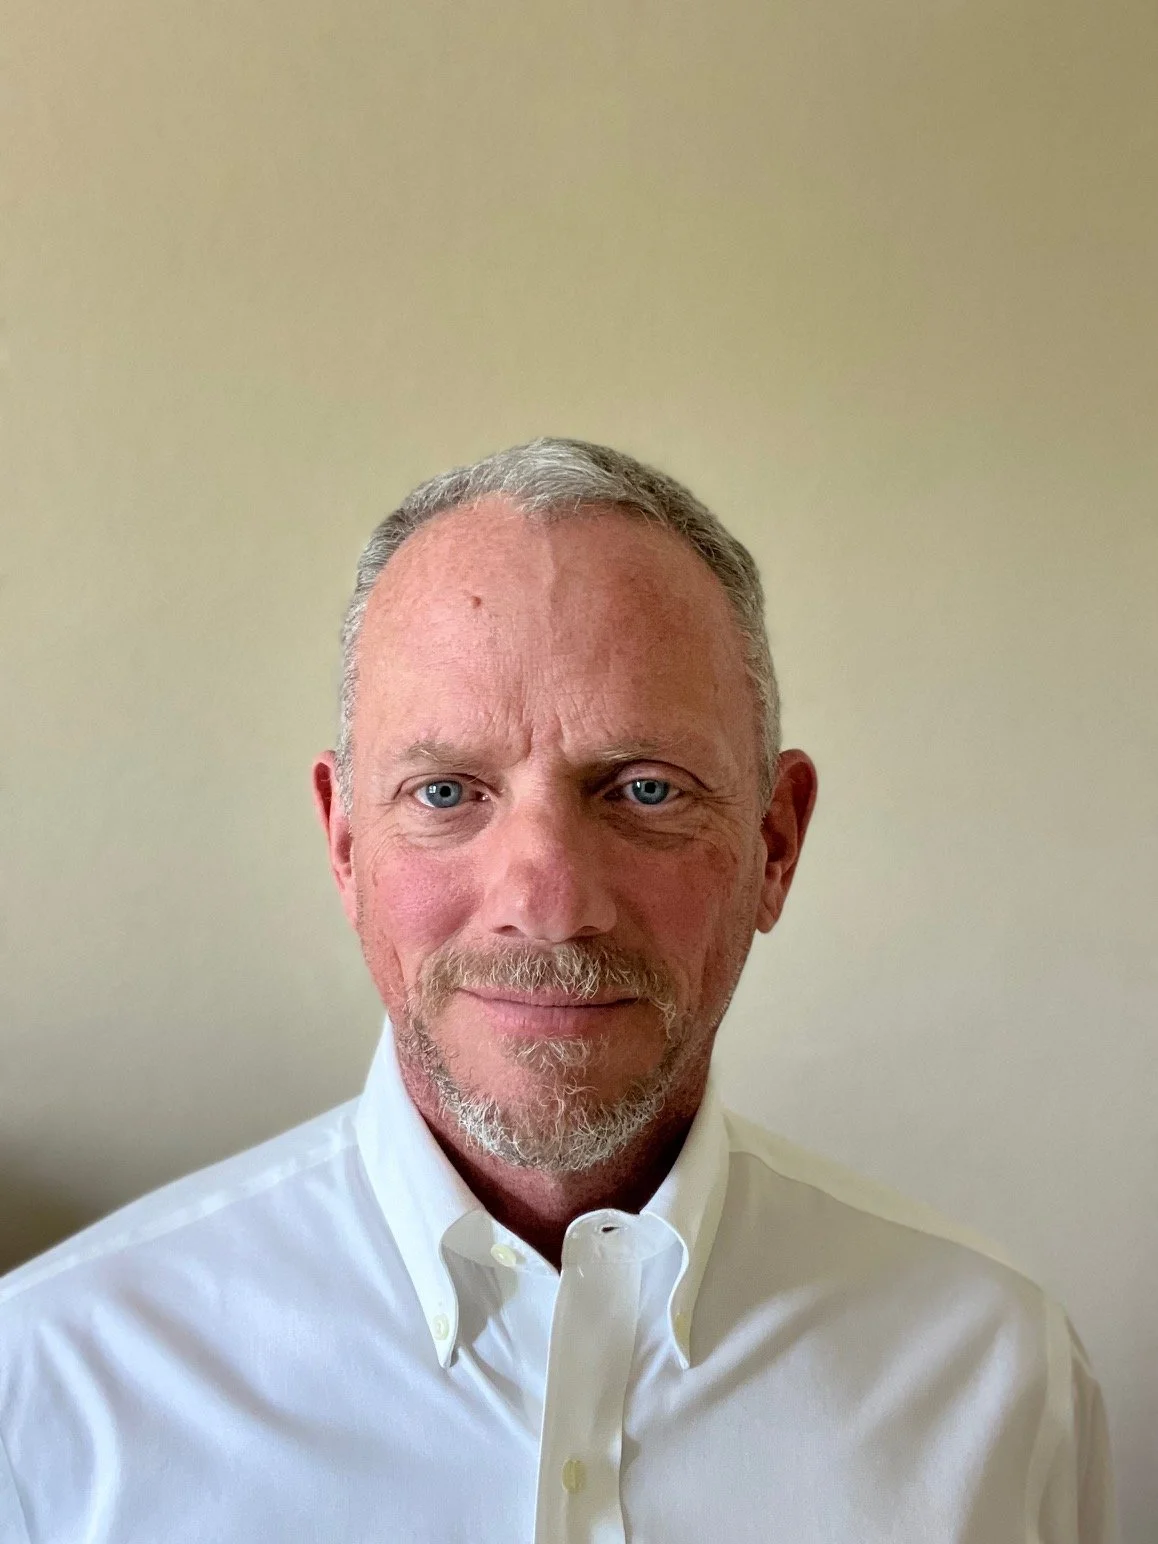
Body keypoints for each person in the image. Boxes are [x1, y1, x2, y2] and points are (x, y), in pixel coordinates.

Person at [0, 439, 1116, 1542]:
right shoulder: (52, 1387)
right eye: (445, 789)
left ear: (776, 842)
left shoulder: (997, 1379)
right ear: (345, 844)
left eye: (643, 787)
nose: (549, 900)